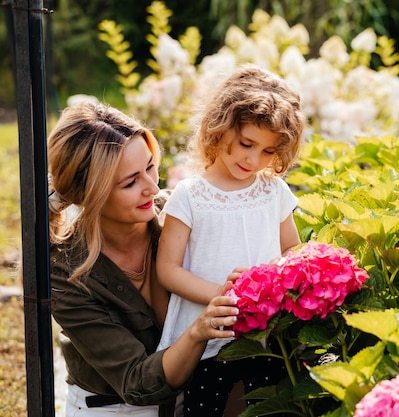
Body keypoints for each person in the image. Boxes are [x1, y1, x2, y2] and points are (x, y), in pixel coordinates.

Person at [48, 102, 240, 417]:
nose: (152, 187)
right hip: (113, 409)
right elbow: (136, 382)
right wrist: (197, 331)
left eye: (150, 166)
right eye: (130, 182)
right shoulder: (66, 268)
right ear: (91, 195)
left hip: (194, 397)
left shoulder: (178, 215)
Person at [155, 64, 307, 416]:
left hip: (267, 335)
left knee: (266, 407)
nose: (253, 160)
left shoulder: (273, 191)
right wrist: (221, 296)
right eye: (246, 144)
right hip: (209, 336)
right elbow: (167, 269)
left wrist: (282, 283)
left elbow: (292, 251)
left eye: (268, 152)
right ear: (220, 127)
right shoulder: (191, 195)